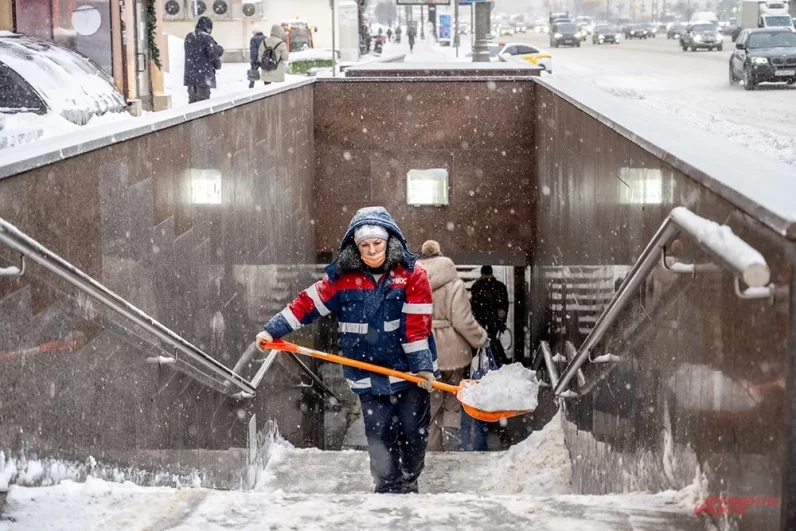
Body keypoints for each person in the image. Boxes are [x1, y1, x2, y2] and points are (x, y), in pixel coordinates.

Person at [256, 207, 439, 494]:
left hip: (410, 375)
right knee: (378, 438)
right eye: (364, 245)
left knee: (414, 438)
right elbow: (307, 303)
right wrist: (272, 330)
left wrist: (423, 367)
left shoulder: (413, 275)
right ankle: (387, 491)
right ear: (355, 246)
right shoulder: (342, 277)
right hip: (367, 373)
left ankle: (409, 478)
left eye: (377, 243)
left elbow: (416, 327)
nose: (371, 250)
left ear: (390, 240)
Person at [419, 241, 488, 452]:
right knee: (453, 396)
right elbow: (463, 321)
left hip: (424, 349)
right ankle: (451, 442)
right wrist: (480, 339)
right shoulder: (454, 284)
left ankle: (432, 449)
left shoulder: (414, 283)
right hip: (453, 351)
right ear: (441, 255)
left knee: (430, 400)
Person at [470, 265, 510, 366]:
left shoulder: (476, 286)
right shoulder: (500, 286)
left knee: (480, 342)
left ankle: (480, 362)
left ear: (482, 273)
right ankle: (499, 361)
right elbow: (504, 305)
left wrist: (476, 320)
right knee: (493, 340)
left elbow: (474, 306)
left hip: (481, 320)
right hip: (495, 319)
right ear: (491, 272)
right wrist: (502, 321)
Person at [183, 16, 224, 104]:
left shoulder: (189, 36)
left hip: (190, 77)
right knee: (203, 105)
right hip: (203, 77)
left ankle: (192, 118)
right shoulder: (206, 38)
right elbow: (212, 53)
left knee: (192, 104)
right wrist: (218, 62)